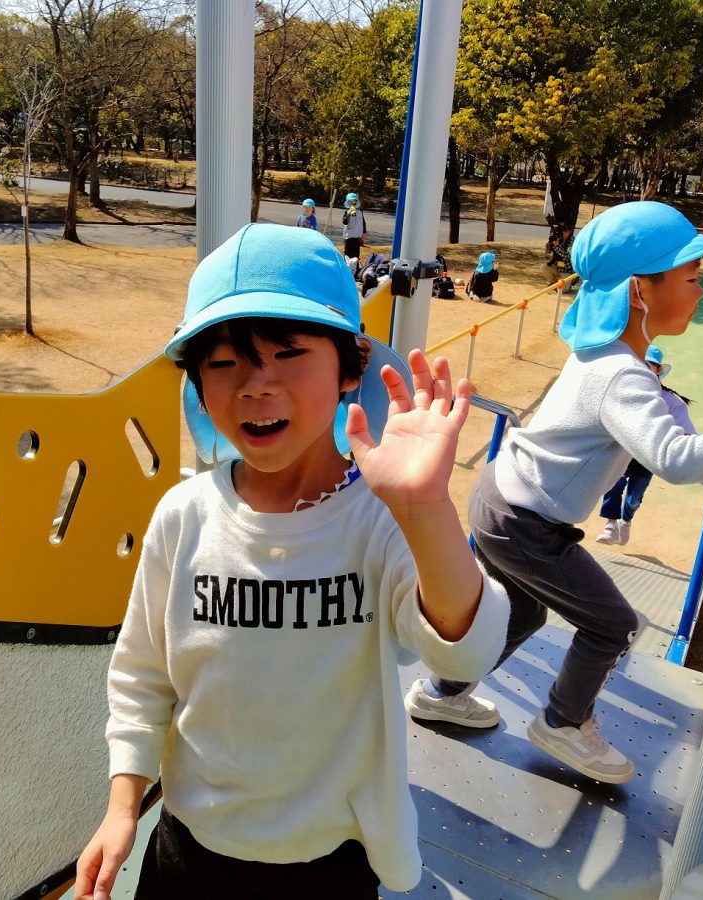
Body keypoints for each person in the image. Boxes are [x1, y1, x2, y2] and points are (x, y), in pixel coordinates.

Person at [73, 223, 509, 899]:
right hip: (188, 850)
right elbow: (142, 676)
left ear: (350, 369)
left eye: (288, 353)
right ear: (196, 383)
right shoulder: (183, 517)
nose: (255, 384)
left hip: (328, 864)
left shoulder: (381, 520)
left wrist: (425, 509)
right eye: (224, 363)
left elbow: (466, 651)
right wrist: (123, 806)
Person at [405, 201, 703, 785]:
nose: (701, 292)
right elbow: (672, 457)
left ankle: (441, 692)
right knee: (612, 625)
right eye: (691, 278)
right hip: (525, 521)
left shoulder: (607, 357)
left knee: (519, 611)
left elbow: (654, 443)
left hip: (504, 498)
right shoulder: (621, 374)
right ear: (639, 292)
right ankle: (564, 722)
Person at [595, 344, 692, 546]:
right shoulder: (624, 389)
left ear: (658, 370)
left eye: (651, 364)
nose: (646, 367)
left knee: (635, 497)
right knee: (614, 482)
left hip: (648, 454)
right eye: (642, 362)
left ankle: (626, 521)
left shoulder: (671, 400)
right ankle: (611, 525)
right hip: (624, 449)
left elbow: (686, 430)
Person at [342, 191, 367, 261]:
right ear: (348, 203)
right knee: (348, 254)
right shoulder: (347, 212)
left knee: (356, 254)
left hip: (357, 237)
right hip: (348, 237)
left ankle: (355, 266)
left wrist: (364, 233)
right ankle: (347, 266)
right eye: (350, 201)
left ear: (356, 202)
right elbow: (345, 222)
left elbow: (363, 223)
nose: (352, 203)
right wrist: (348, 214)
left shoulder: (360, 213)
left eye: (354, 201)